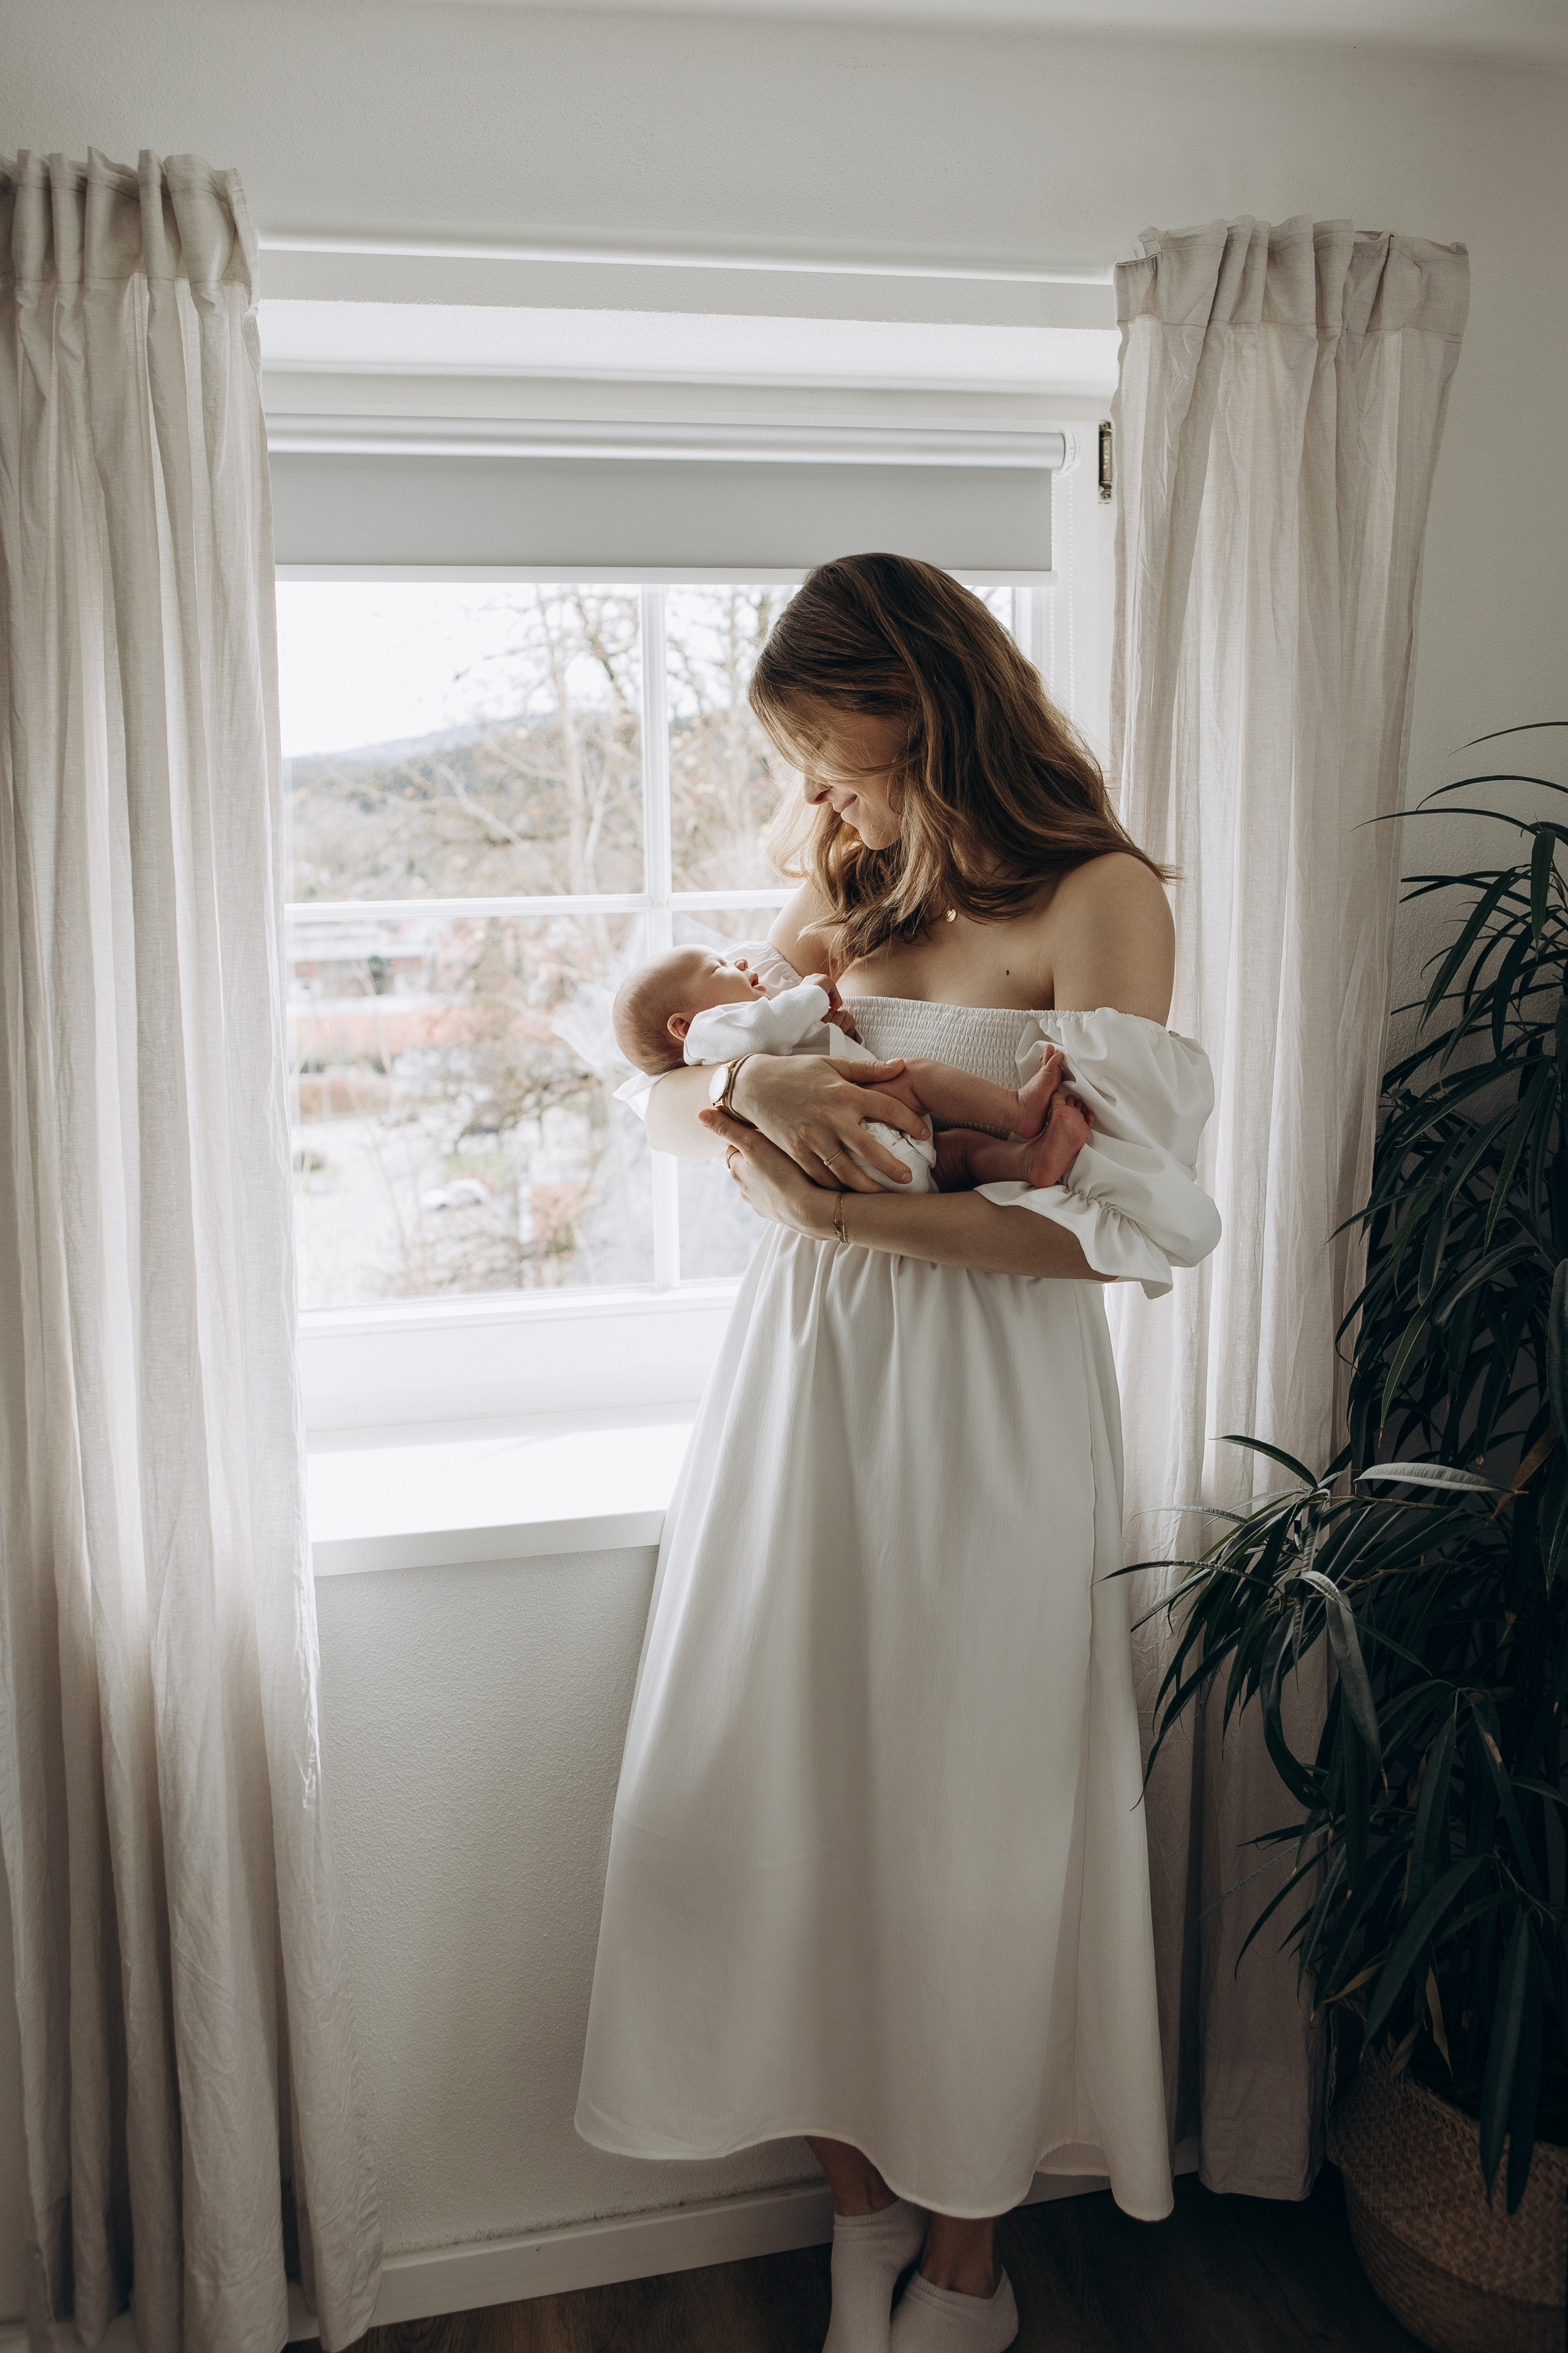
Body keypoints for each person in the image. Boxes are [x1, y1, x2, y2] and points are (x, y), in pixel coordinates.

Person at [575, 554, 1221, 2353]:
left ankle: (964, 2265)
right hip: (806, 1389)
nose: (812, 791)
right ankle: (856, 2207)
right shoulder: (847, 885)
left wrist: (842, 1214)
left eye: (828, 750)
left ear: (921, 706)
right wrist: (746, 1089)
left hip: (989, 1399)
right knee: (773, 1797)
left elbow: (1113, 1231)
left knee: (969, 1818)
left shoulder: (1098, 895)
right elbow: (664, 1080)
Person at [610, 940, 1093, 1194]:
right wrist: (811, 993)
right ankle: (1016, 1110)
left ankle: (1029, 1162)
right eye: (719, 967)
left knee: (957, 1155)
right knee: (916, 1077)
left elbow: (784, 1041)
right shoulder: (709, 1034)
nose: (740, 964)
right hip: (859, 1133)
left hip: (855, 1171)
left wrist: (833, 1030)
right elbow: (766, 1029)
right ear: (682, 1026)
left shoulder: (722, 1036)